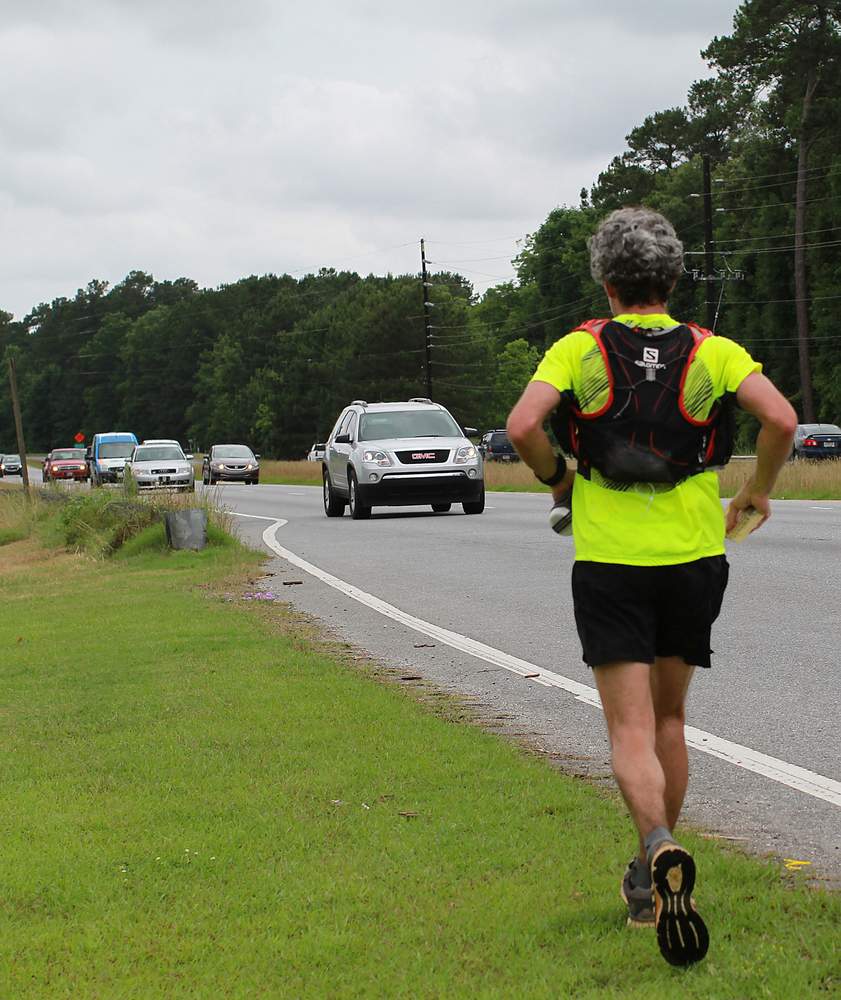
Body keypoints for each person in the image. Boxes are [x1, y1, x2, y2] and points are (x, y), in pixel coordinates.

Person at [506, 206, 796, 967]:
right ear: (670, 279)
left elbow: (522, 425)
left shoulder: (577, 349)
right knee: (668, 721)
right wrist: (757, 490)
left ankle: (657, 851)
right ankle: (651, 874)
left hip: (609, 562)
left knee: (627, 731)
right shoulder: (714, 351)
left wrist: (559, 480)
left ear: (606, 282)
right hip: (695, 556)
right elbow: (781, 420)